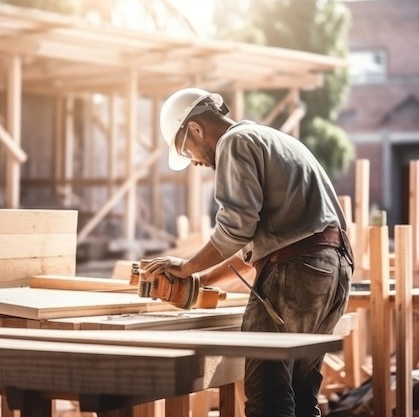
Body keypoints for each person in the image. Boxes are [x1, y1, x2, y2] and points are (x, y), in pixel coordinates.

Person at [144, 87, 354, 417]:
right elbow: (250, 245)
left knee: (267, 395)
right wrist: (198, 278)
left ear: (196, 129)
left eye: (188, 153)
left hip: (297, 270)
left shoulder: (233, 142)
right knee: (300, 394)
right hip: (331, 271)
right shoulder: (270, 139)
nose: (196, 162)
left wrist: (185, 266)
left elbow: (235, 229)